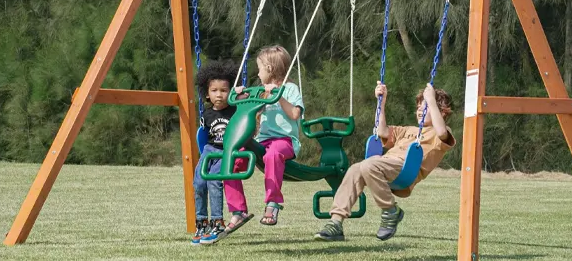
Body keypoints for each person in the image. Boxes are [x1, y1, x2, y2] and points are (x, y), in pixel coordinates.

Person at [314, 81, 456, 242]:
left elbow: (443, 131)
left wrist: (431, 99)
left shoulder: (438, 134)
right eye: (418, 107)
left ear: (442, 112)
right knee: (355, 169)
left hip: (406, 169)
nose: (419, 110)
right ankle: (336, 223)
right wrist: (381, 101)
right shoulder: (408, 130)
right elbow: (382, 131)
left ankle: (390, 210)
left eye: (425, 107)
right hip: (384, 164)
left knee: (369, 165)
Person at [223, 45, 305, 235]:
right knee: (232, 157)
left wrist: (278, 95)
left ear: (269, 68)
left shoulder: (290, 89)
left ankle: (273, 203)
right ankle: (238, 210)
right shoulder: (261, 90)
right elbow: (251, 112)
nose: (258, 73)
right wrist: (243, 96)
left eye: (259, 68)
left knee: (273, 154)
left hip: (285, 141)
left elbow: (294, 114)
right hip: (262, 142)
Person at [191, 60, 238, 245]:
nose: (219, 95)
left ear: (230, 92)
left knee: (214, 181)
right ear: (207, 93)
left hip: (225, 151)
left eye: (224, 90)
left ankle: (217, 221)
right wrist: (203, 153)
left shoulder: (235, 111)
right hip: (209, 150)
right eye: (214, 90)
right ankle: (201, 222)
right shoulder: (207, 114)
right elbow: (202, 137)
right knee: (199, 183)